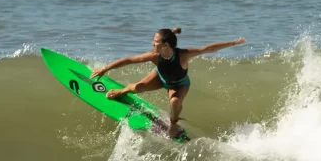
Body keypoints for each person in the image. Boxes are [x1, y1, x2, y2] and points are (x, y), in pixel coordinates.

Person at [90, 27, 246, 138]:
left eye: (155, 41)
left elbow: (207, 49)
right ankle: (122, 91)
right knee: (139, 87)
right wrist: (105, 69)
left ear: (165, 45)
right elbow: (128, 60)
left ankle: (173, 126)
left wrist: (232, 43)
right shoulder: (154, 55)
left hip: (179, 84)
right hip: (160, 78)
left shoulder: (183, 55)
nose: (152, 44)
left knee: (175, 102)